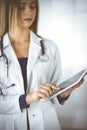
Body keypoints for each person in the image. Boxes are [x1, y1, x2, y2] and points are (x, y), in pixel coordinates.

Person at [0, 0, 84, 130]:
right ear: (8, 10)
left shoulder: (50, 47)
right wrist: (28, 98)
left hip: (45, 123)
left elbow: (53, 95)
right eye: (21, 7)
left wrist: (64, 93)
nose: (29, 11)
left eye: (32, 6)